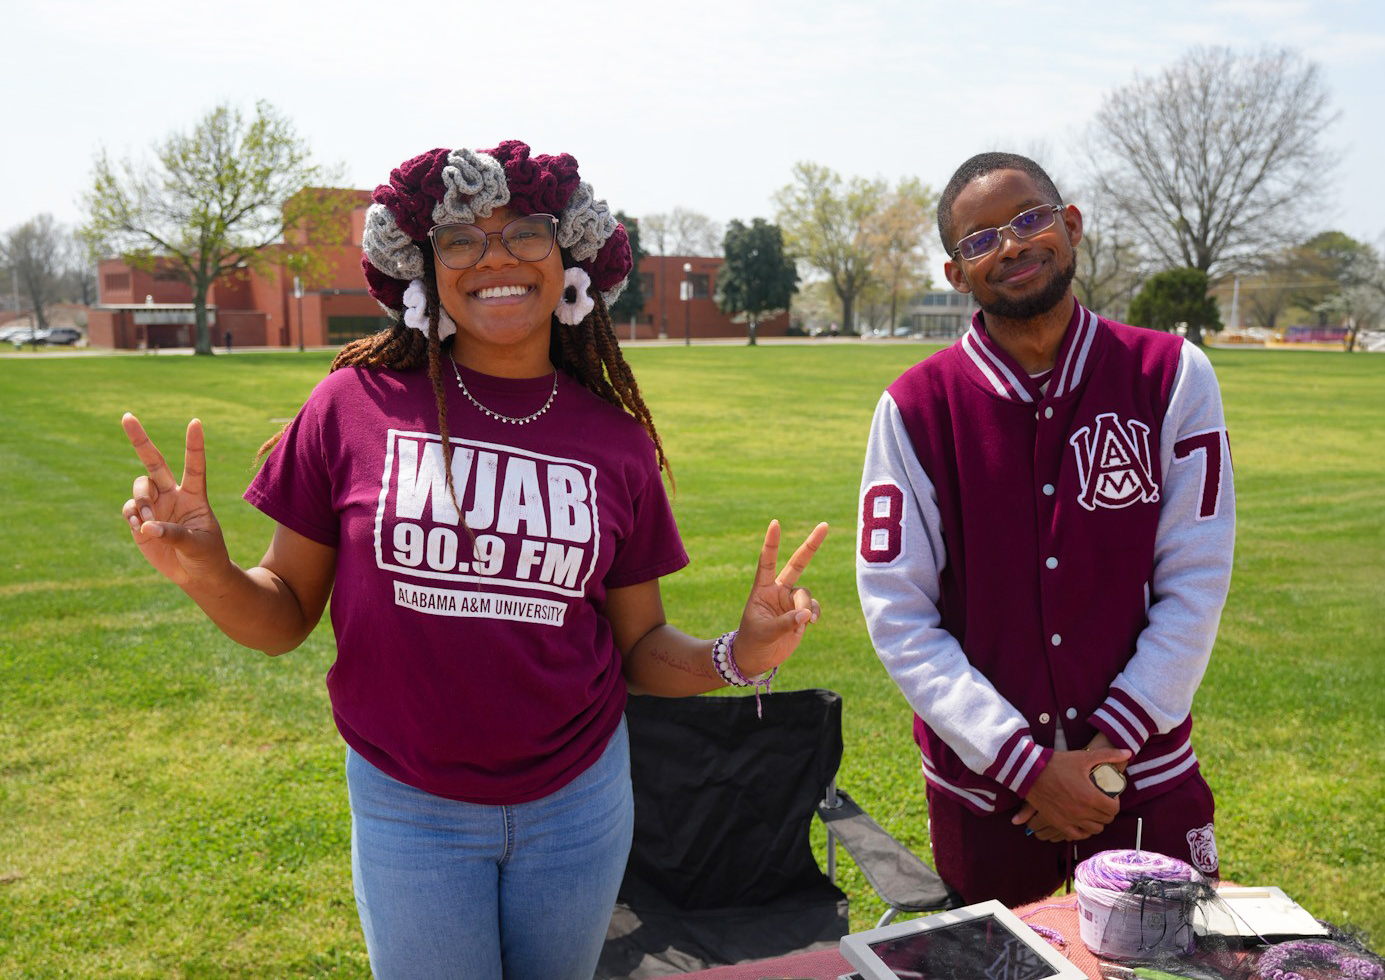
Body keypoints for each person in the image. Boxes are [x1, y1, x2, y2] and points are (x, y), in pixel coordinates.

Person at [121, 140, 828, 979]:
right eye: (460, 239)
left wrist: (737, 655)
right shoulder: (351, 406)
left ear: (569, 257)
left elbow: (640, 649)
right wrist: (207, 570)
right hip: (408, 802)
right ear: (425, 270)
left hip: (578, 804)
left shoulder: (615, 441)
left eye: (526, 233)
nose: (495, 257)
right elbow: (282, 617)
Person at [855, 152, 1234, 907]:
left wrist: (1102, 754)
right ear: (955, 274)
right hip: (988, 790)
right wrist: (1027, 765)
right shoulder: (914, 408)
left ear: (1070, 225)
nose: (1011, 245)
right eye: (978, 239)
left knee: (1171, 962)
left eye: (1029, 219)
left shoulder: (1168, 373)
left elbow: (1194, 579)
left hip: (1141, 775)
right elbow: (899, 615)